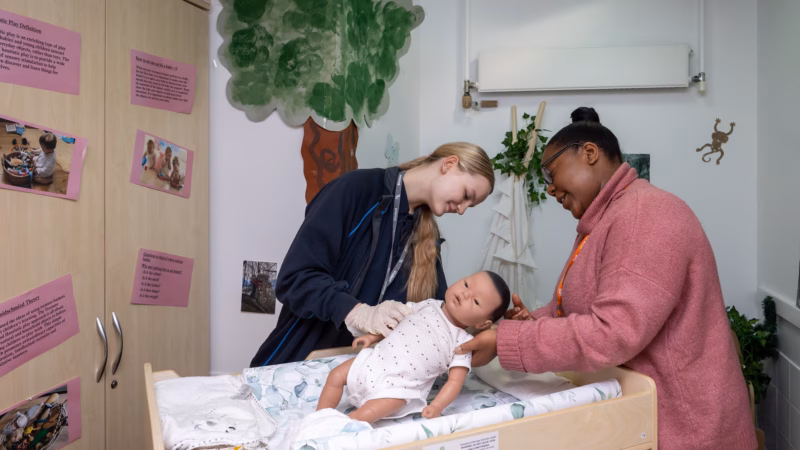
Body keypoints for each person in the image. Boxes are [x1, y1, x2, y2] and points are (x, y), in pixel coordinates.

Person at [455, 107, 756, 450]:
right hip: (644, 417)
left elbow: (614, 331)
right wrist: (531, 321)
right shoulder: (604, 222)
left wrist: (507, 340)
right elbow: (580, 310)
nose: (551, 190)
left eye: (552, 174)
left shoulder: (645, 215)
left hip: (685, 428)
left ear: (590, 153)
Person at [250, 143, 495, 367]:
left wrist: (491, 320)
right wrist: (357, 312)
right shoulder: (355, 190)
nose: (462, 210)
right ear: (449, 164)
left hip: (365, 376)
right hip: (300, 360)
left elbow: (438, 315)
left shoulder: (426, 236)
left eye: (469, 206)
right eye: (466, 195)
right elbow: (295, 279)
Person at [315, 271, 511, 423]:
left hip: (399, 387)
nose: (466, 293)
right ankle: (321, 417)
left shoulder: (463, 343)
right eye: (467, 284)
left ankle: (344, 426)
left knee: (370, 412)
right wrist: (371, 336)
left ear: (483, 324)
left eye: (476, 301)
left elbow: (454, 382)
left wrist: (437, 406)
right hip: (375, 361)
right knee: (336, 375)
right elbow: (394, 320)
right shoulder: (428, 304)